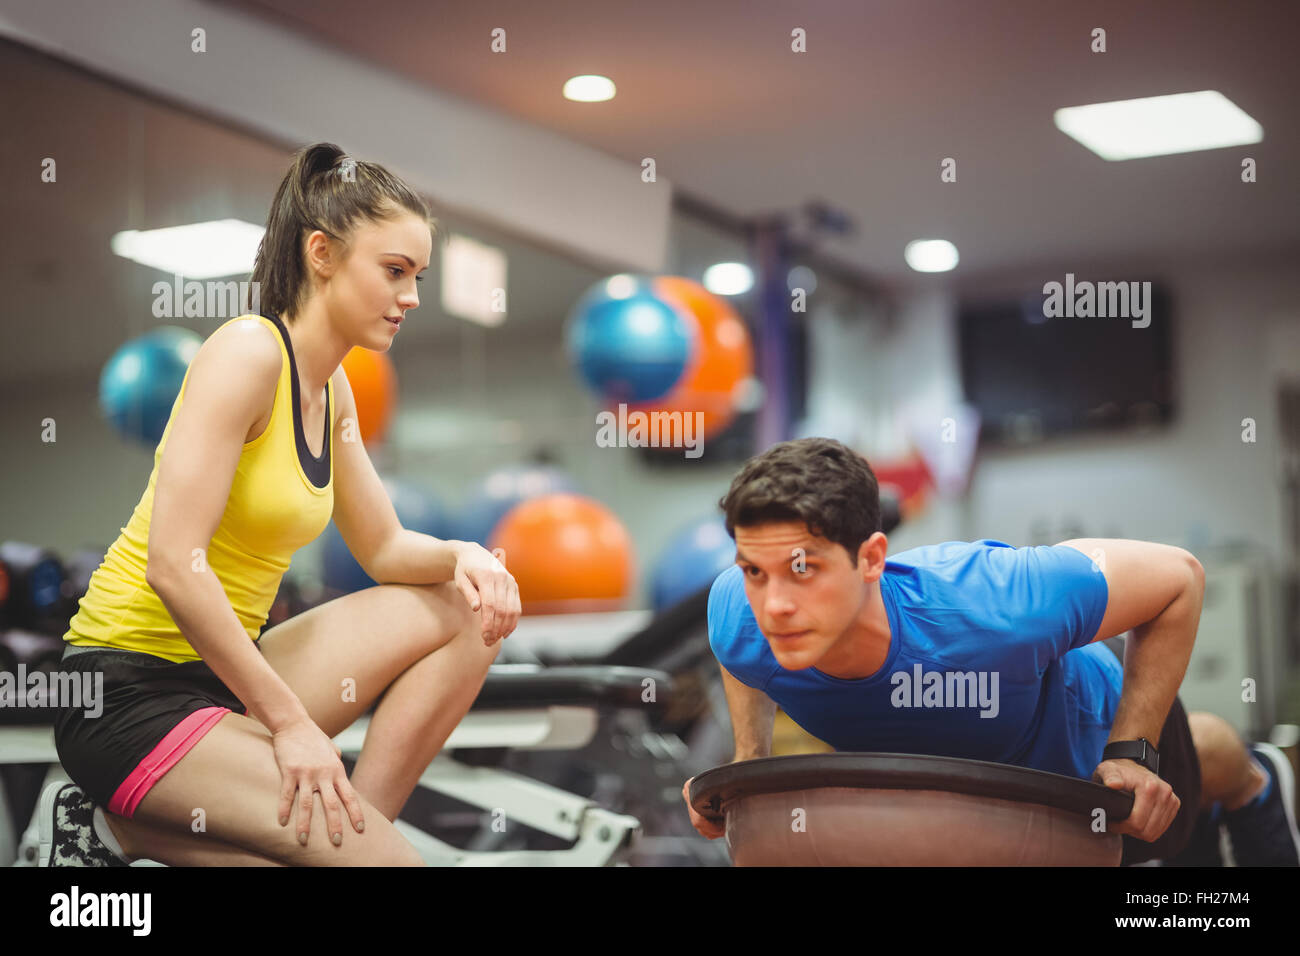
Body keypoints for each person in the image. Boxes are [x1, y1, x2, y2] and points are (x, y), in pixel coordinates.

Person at [43, 143, 521, 866]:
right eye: (395, 271)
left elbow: (386, 551)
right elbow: (176, 565)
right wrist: (292, 725)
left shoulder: (332, 393)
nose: (413, 296)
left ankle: (343, 835)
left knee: (466, 608)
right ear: (322, 253)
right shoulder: (246, 353)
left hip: (222, 681)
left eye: (418, 276)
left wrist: (467, 556)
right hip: (126, 694)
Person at [683, 437, 1300, 866]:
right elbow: (738, 653)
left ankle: (1253, 775)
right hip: (958, 800)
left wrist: (1135, 752)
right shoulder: (739, 610)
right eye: (755, 571)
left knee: (1180, 816)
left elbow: (1180, 578)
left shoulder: (998, 602)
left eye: (803, 569)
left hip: (1086, 747)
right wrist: (747, 761)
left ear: (871, 559)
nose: (775, 606)